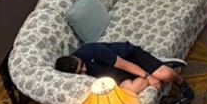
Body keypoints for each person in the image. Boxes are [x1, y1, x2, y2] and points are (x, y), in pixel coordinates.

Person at [55, 42, 185, 93]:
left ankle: (180, 81)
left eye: (82, 65)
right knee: (129, 90)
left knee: (165, 75)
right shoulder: (76, 77)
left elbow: (123, 64)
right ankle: (155, 65)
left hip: (127, 57)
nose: (84, 70)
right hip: (114, 73)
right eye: (80, 72)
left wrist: (148, 76)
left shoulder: (91, 50)